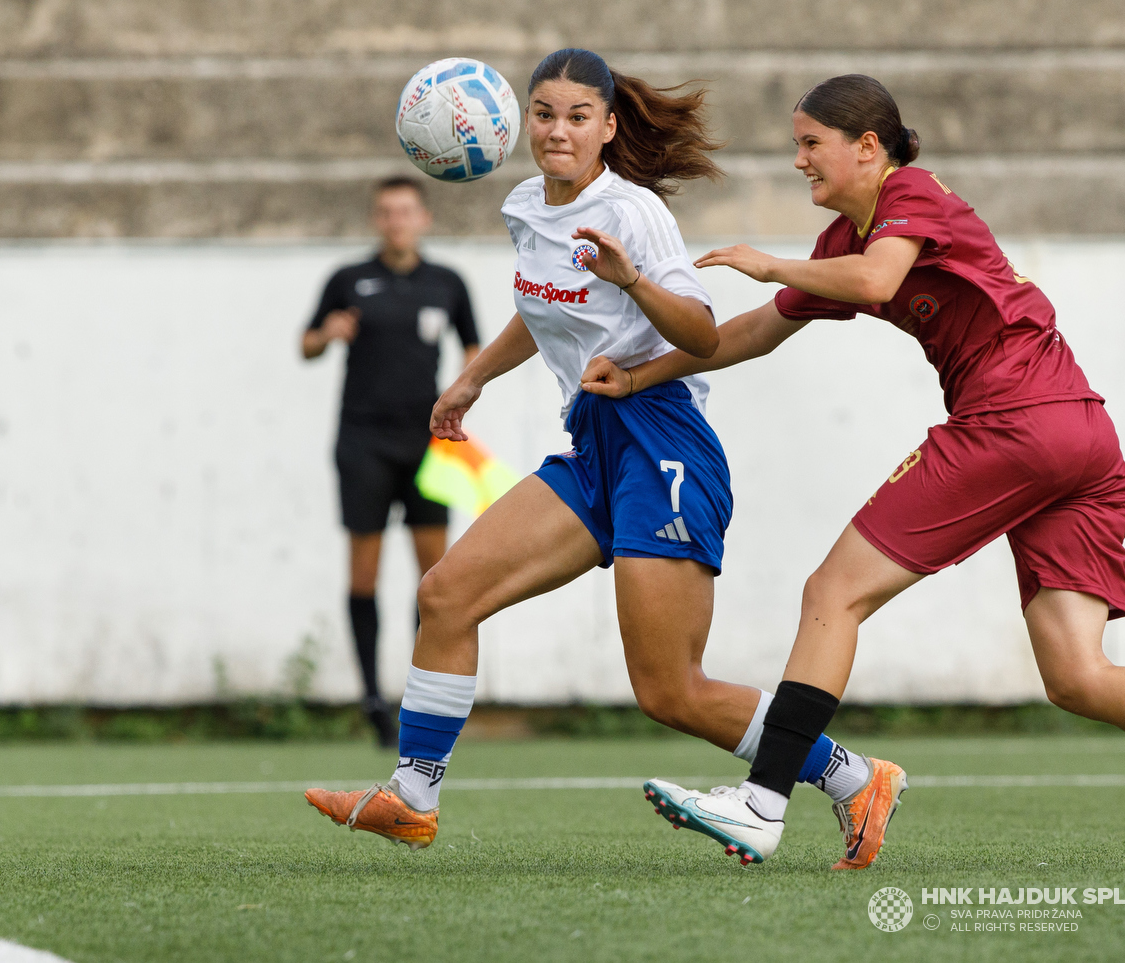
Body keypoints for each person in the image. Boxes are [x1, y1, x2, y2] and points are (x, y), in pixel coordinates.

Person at [304, 50, 889, 863]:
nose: (558, 131)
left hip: (662, 440)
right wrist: (469, 379)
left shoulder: (634, 212)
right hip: (592, 442)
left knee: (669, 691)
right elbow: (536, 306)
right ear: (520, 123)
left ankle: (853, 776)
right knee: (446, 597)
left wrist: (633, 281)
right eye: (544, 114)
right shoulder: (523, 206)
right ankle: (412, 796)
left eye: (579, 116)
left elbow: (702, 332)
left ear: (609, 128)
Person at [598, 73, 1125, 867]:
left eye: (811, 144)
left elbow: (876, 282)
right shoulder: (848, 238)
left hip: (1014, 422)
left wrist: (771, 263)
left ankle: (762, 805)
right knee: (1079, 675)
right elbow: (757, 333)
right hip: (1082, 437)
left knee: (831, 594)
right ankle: (780, 800)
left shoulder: (909, 195)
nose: (799, 159)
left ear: (867, 147)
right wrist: (639, 376)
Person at [302, 176, 480, 745]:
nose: (396, 220)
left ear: (423, 218)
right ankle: (371, 698)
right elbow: (305, 344)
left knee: (434, 576)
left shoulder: (447, 282)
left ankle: (418, 695)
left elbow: (475, 346)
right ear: (377, 220)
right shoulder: (348, 280)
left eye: (406, 211)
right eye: (386, 212)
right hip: (363, 442)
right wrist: (326, 333)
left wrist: (464, 388)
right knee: (364, 569)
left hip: (428, 442)